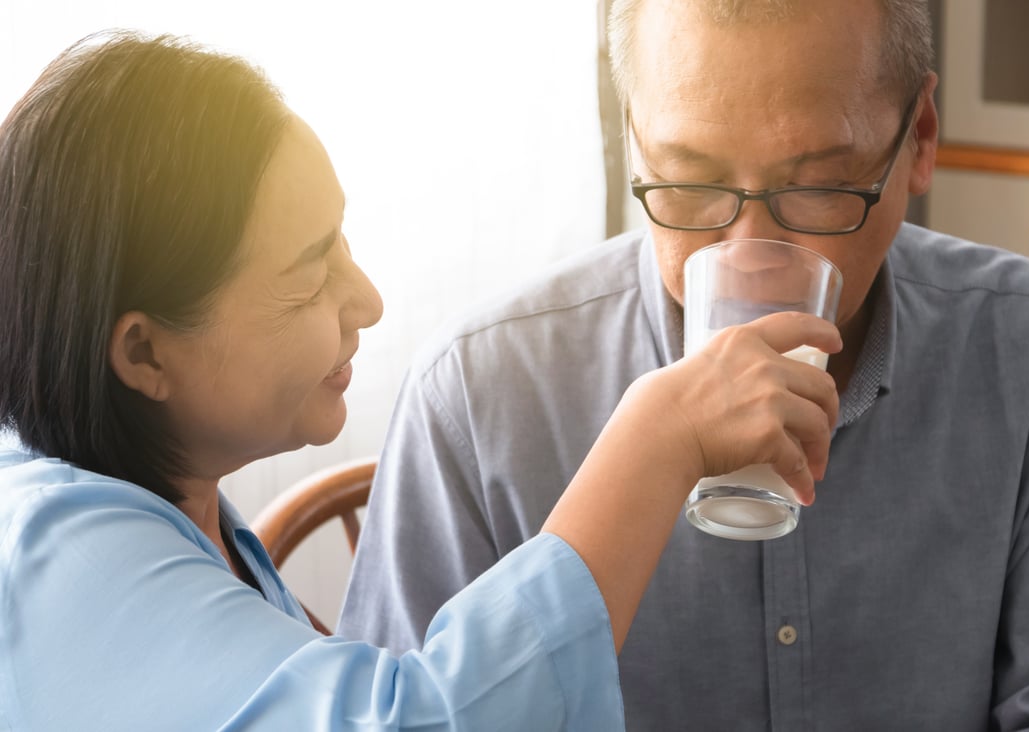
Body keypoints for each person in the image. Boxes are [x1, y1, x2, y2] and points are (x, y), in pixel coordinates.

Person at [339, 0, 1029, 729]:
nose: (751, 255)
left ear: (918, 141)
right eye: (688, 184)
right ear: (631, 139)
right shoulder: (477, 395)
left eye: (816, 190)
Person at [0, 31, 843, 731]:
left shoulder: (177, 513)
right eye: (307, 270)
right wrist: (659, 437)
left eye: (341, 242)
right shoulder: (53, 560)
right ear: (145, 354)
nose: (364, 301)